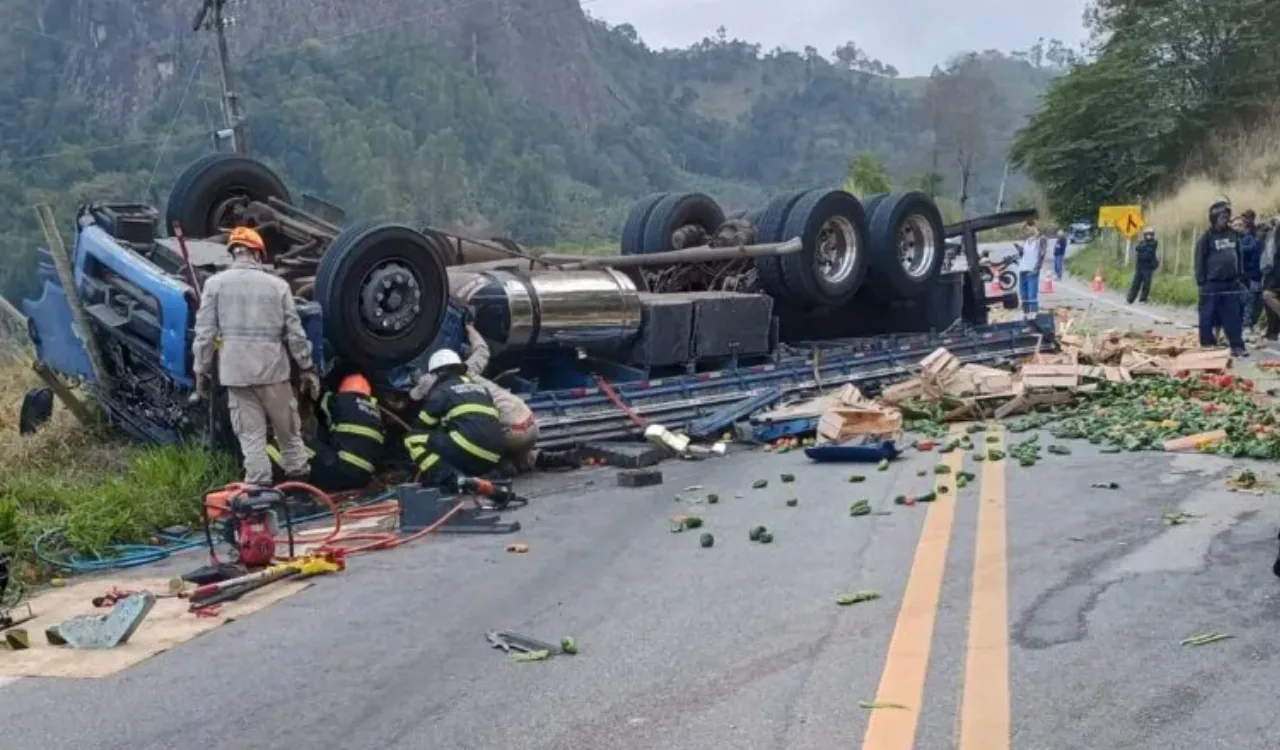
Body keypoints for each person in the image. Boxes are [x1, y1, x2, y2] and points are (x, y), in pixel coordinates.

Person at [192, 226, 321, 486]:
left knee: (251, 440)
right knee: (290, 436)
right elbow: (295, 333)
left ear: (233, 253)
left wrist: (201, 370)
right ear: (258, 254)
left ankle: (260, 498)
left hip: (237, 377)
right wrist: (307, 367)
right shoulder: (278, 286)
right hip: (274, 372)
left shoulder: (214, 285)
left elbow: (204, 333)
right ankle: (301, 494)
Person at [411, 324, 576, 474]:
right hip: (531, 424)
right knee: (518, 454)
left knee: (477, 442)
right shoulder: (470, 370)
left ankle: (498, 469)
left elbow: (416, 394)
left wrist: (413, 378)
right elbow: (483, 350)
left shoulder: (437, 381)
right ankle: (545, 459)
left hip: (509, 432)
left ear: (435, 371)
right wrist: (470, 328)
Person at [403, 348, 507, 493]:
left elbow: (422, 426)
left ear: (437, 373)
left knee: (412, 439)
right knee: (452, 437)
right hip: (494, 455)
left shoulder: (441, 391)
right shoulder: (481, 388)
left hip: (469, 448)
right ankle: (473, 478)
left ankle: (450, 478)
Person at [267, 373, 385, 491]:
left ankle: (262, 482)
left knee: (283, 444)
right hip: (364, 475)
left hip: (342, 469)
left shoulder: (336, 400)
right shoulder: (373, 409)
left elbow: (318, 400)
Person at [1194, 199, 1248, 356]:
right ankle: (1207, 345)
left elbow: (1239, 255)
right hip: (1212, 284)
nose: (1226, 220)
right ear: (1214, 218)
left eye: (1227, 217)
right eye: (1222, 217)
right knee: (1207, 316)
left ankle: (1237, 346)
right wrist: (1201, 283)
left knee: (1233, 316)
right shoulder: (1206, 238)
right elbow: (1199, 261)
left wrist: (1240, 275)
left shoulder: (1233, 235)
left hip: (1231, 283)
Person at [1239, 209, 1263, 329]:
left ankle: (1248, 323)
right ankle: (1246, 323)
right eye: (1243, 217)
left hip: (1254, 271)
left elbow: (1250, 249)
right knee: (1249, 299)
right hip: (1247, 272)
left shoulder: (1255, 233)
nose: (1244, 220)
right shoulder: (1243, 234)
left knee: (1253, 300)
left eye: (1247, 218)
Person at [1016, 223, 1045, 317]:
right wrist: (1019, 249)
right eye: (1027, 228)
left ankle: (1033, 314)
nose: (1028, 230)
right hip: (1023, 269)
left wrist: (1037, 268)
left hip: (1032, 269)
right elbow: (1022, 254)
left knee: (1032, 292)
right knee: (1023, 293)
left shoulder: (1040, 240)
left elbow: (1041, 255)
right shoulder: (1025, 241)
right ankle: (1026, 313)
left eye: (1030, 227)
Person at [1259, 216, 1280, 341]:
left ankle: (1273, 331)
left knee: (1268, 295)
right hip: (1273, 271)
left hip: (1275, 272)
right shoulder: (1272, 234)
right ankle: (1272, 331)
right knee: (1267, 296)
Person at [1126, 228, 1159, 304]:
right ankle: (1130, 298)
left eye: (1150, 234)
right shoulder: (1141, 243)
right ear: (1144, 235)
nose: (1148, 236)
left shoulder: (1154, 242)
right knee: (1136, 283)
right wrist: (1143, 247)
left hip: (1148, 267)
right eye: (1147, 234)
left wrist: (1143, 248)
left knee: (1146, 283)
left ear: (1153, 235)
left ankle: (1143, 299)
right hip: (1140, 266)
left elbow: (1148, 247)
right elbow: (1138, 248)